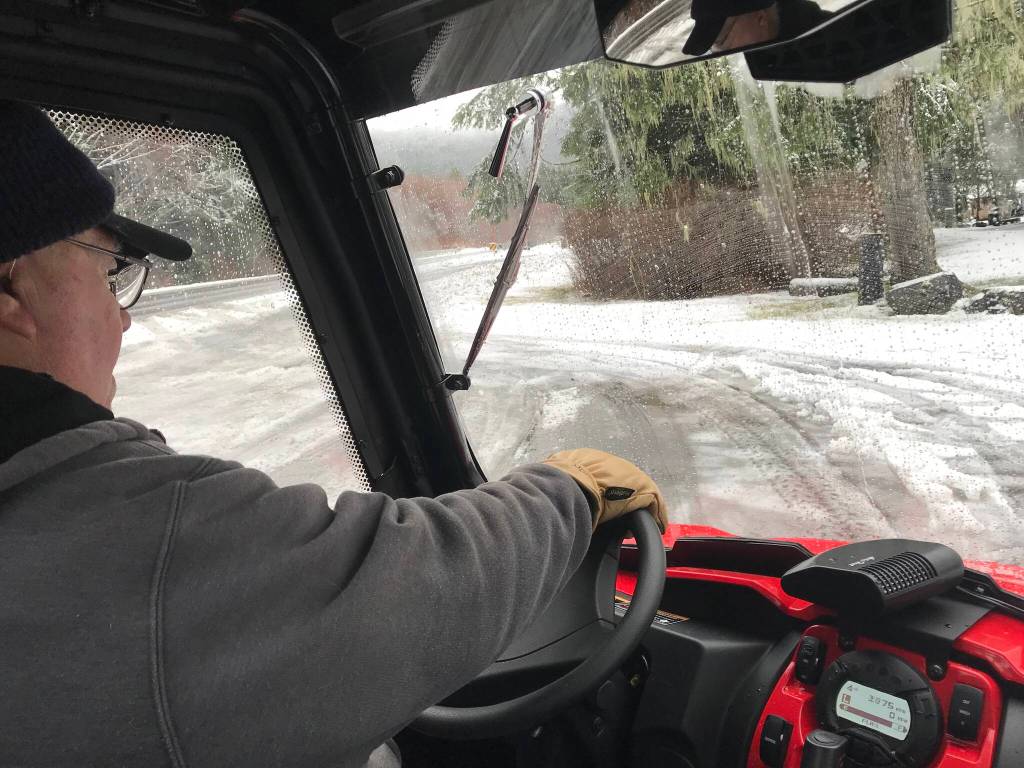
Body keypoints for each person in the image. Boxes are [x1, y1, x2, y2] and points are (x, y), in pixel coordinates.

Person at [0, 99, 668, 768]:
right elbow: (411, 589)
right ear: (10, 292)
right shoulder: (133, 532)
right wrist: (570, 491)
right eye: (107, 273)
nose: (123, 321)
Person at [683, 0, 835, 56]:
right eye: (715, 46)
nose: (725, 53)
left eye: (722, 41)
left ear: (760, 18)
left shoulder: (830, 34)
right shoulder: (782, 58)